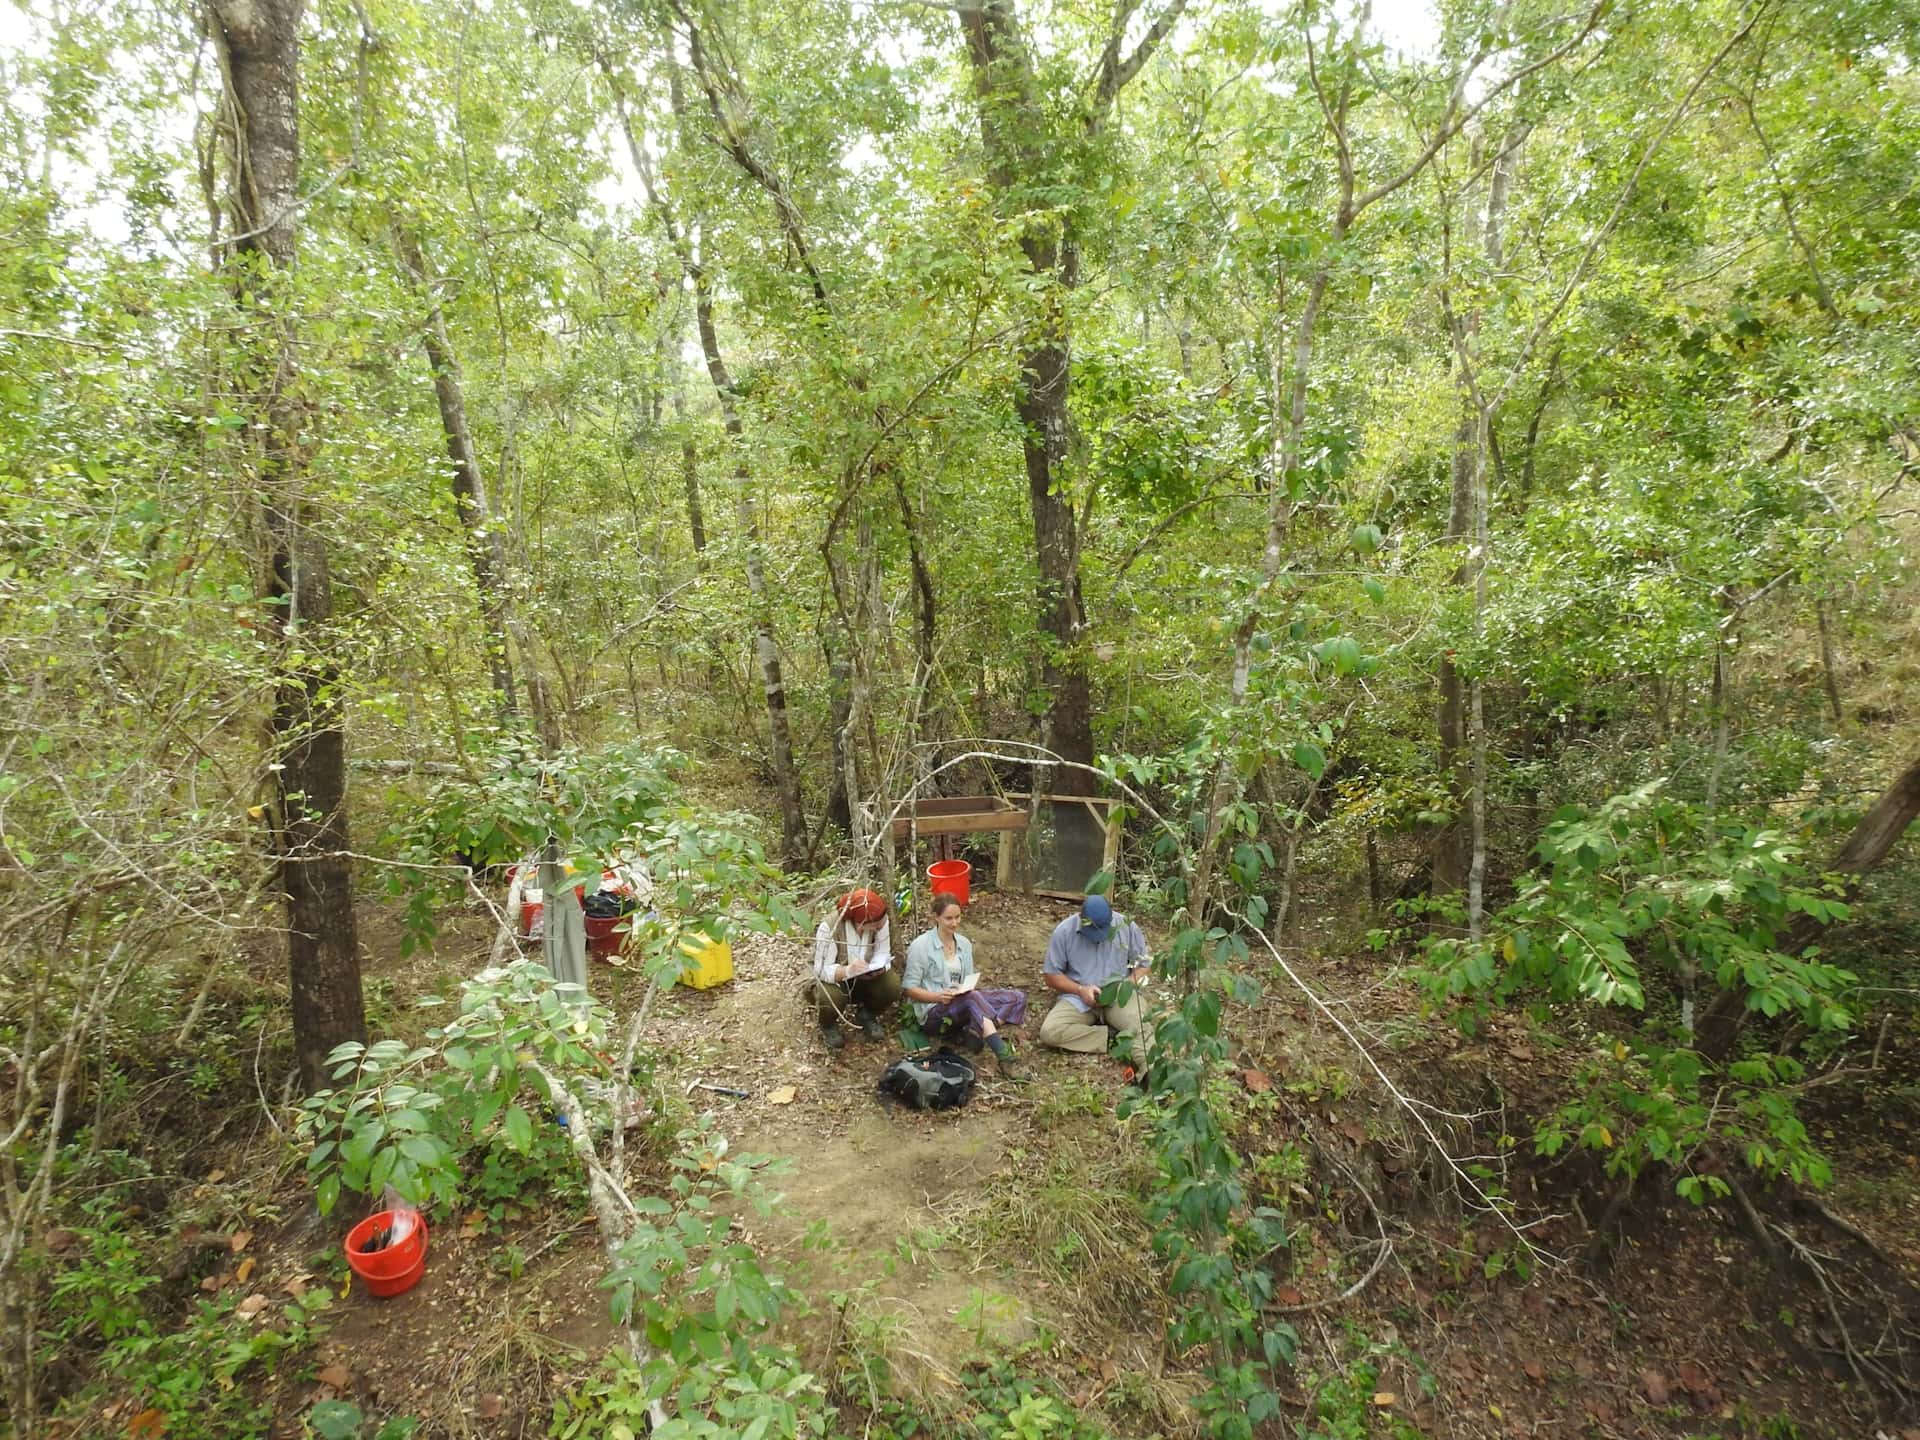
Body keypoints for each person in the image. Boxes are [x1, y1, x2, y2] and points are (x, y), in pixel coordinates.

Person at [902, 892, 1029, 1081]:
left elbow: (968, 979)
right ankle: (1005, 1057)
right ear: (936, 918)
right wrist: (938, 996)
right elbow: (909, 989)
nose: (954, 923)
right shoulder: (920, 947)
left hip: (962, 1000)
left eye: (957, 917)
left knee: (1017, 997)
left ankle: (977, 1027)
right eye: (948, 918)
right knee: (972, 999)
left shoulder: (964, 944)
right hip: (934, 1012)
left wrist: (965, 988)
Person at [1037, 894, 1151, 1058]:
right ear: (1081, 918)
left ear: (1111, 919)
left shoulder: (1126, 927)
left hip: (1118, 996)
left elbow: (1144, 965)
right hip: (1078, 998)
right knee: (1050, 1031)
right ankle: (1111, 1039)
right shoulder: (1064, 931)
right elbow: (1051, 975)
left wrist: (1126, 985)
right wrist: (1080, 989)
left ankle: (1150, 1073)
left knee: (1140, 1025)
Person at [811, 888, 900, 1050]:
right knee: (830, 996)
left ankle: (867, 1014)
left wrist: (878, 967)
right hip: (835, 979)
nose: (880, 927)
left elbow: (882, 952)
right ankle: (828, 1024)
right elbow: (821, 970)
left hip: (863, 977)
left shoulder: (880, 921)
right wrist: (848, 971)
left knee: (892, 984)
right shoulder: (830, 927)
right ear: (860, 922)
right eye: (875, 925)